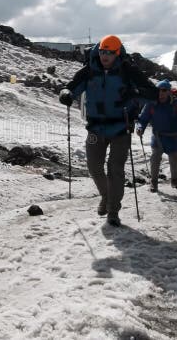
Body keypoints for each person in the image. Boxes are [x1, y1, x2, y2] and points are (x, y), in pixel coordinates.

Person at [59, 35, 158, 226]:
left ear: (117, 53)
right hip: (95, 127)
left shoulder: (128, 71)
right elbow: (71, 87)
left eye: (109, 53)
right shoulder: (90, 70)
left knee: (115, 170)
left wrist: (134, 94)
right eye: (103, 52)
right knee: (94, 167)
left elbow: (153, 94)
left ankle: (113, 211)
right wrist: (66, 94)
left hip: (121, 127)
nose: (105, 56)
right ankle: (106, 196)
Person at [136, 80, 177, 192]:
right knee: (155, 159)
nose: (161, 93)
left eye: (164, 90)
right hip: (158, 137)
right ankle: (153, 182)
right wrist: (140, 127)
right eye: (158, 90)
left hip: (174, 138)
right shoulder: (151, 103)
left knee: (174, 160)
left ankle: (174, 180)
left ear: (169, 92)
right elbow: (143, 118)